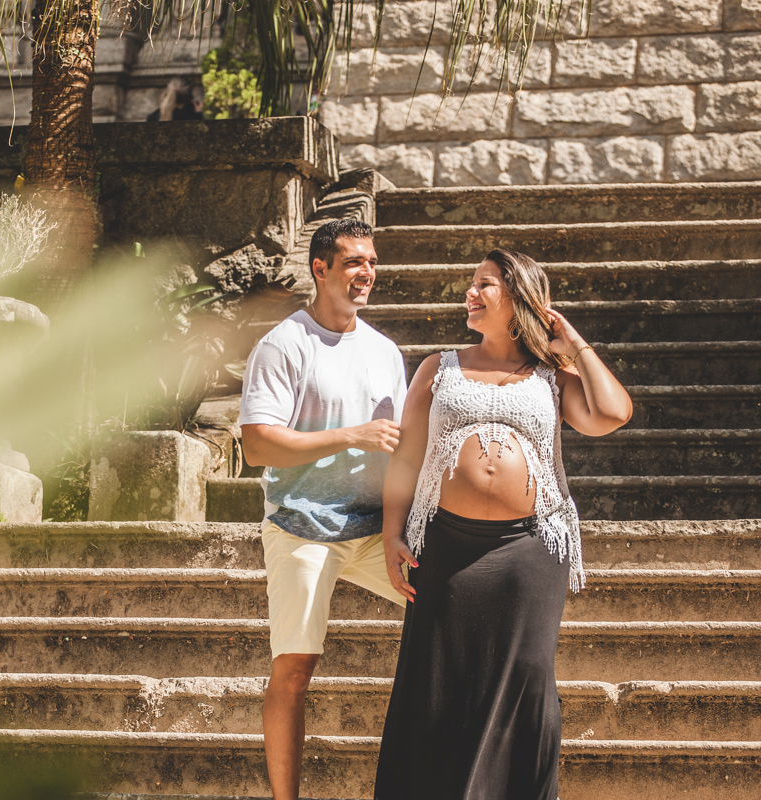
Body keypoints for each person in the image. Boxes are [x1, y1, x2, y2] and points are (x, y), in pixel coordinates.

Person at [374, 249, 634, 800]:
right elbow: (406, 458)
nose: (471, 293)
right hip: (443, 545)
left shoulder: (552, 376)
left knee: (524, 681)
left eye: (485, 285)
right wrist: (392, 533)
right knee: (439, 684)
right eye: (472, 284)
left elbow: (612, 414)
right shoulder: (437, 367)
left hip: (530, 552)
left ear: (519, 298)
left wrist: (572, 342)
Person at [239, 218, 407, 800]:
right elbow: (257, 443)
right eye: (355, 262)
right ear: (321, 269)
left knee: (451, 610)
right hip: (301, 526)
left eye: (373, 262)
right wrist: (349, 435)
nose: (367, 274)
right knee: (293, 670)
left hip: (373, 530)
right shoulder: (285, 344)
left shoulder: (385, 351)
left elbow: (402, 445)